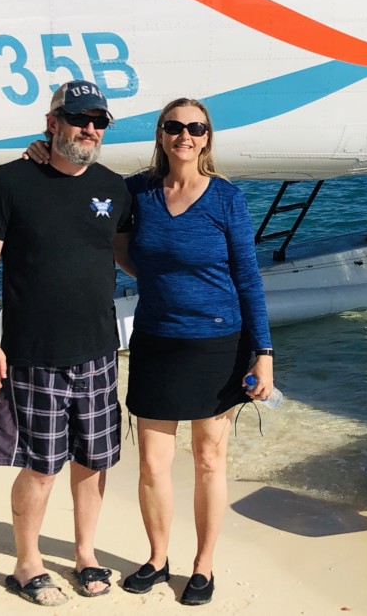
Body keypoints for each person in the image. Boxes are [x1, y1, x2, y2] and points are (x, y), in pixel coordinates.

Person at [0, 80, 132, 606]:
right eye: (80, 117)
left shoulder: (115, 187)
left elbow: (130, 254)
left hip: (99, 351)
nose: (90, 128)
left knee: (94, 460)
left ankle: (86, 554)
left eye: (99, 120)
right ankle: (27, 562)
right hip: (33, 354)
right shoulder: (10, 180)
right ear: (52, 121)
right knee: (41, 465)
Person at [121, 97, 274, 606]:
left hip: (218, 344)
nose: (184, 135)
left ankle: (203, 566)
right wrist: (41, 151)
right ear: (161, 135)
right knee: (152, 463)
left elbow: (248, 278)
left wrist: (264, 351)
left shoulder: (227, 199)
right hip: (155, 341)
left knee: (209, 459)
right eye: (173, 126)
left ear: (207, 137)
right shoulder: (136, 192)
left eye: (195, 127)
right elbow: (103, 230)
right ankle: (157, 558)